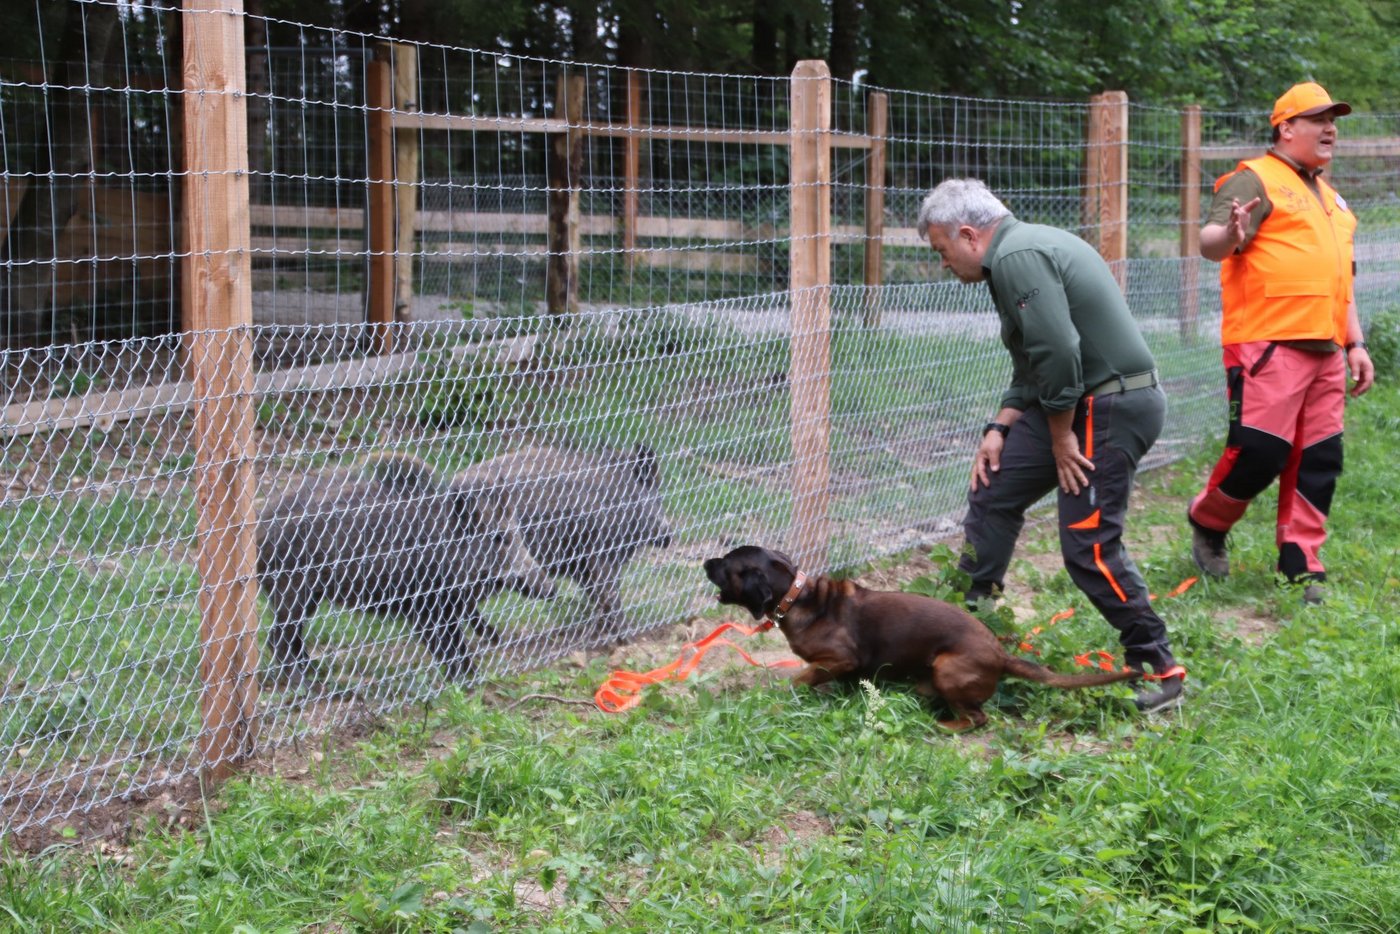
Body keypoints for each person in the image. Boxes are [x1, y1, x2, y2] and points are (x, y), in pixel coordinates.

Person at [917, 178, 1185, 713]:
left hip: (1108, 407)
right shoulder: (1011, 257)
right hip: (1078, 402)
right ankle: (970, 640)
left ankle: (1161, 669)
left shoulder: (1019, 256)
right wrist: (1001, 426)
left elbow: (1061, 353)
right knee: (994, 490)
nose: (943, 265)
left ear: (968, 235)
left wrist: (1062, 436)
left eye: (941, 252)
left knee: (1087, 544)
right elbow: (1032, 359)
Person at [1187, 82, 1374, 604]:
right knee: (1261, 452)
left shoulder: (1333, 199)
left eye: (1333, 119)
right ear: (1286, 128)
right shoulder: (1255, 179)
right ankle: (1208, 518)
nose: (1330, 128)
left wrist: (1355, 343)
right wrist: (1231, 233)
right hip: (1267, 344)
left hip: (1327, 351)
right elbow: (1210, 243)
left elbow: (1344, 284)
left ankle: (1301, 564)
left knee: (1319, 458)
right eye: (1317, 119)